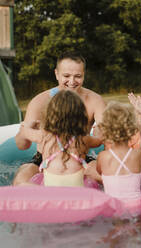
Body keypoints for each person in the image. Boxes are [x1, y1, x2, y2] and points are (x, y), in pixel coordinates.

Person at [13, 51, 106, 186]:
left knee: (106, 177)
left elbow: (108, 138)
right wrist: (25, 131)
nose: (72, 81)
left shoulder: (94, 100)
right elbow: (22, 146)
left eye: (78, 76)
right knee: (20, 180)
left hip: (80, 156)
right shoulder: (40, 101)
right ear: (56, 74)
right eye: (66, 76)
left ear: (84, 75)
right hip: (44, 159)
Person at [17, 90, 102, 186]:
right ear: (81, 115)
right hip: (77, 188)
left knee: (23, 185)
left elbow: (24, 132)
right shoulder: (83, 139)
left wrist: (30, 126)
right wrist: (98, 132)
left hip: (50, 189)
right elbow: (99, 141)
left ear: (50, 115)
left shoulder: (44, 136)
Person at [96, 101, 141, 213]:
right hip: (137, 205)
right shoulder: (138, 154)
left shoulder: (103, 156)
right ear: (131, 128)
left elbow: (99, 172)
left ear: (106, 128)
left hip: (113, 206)